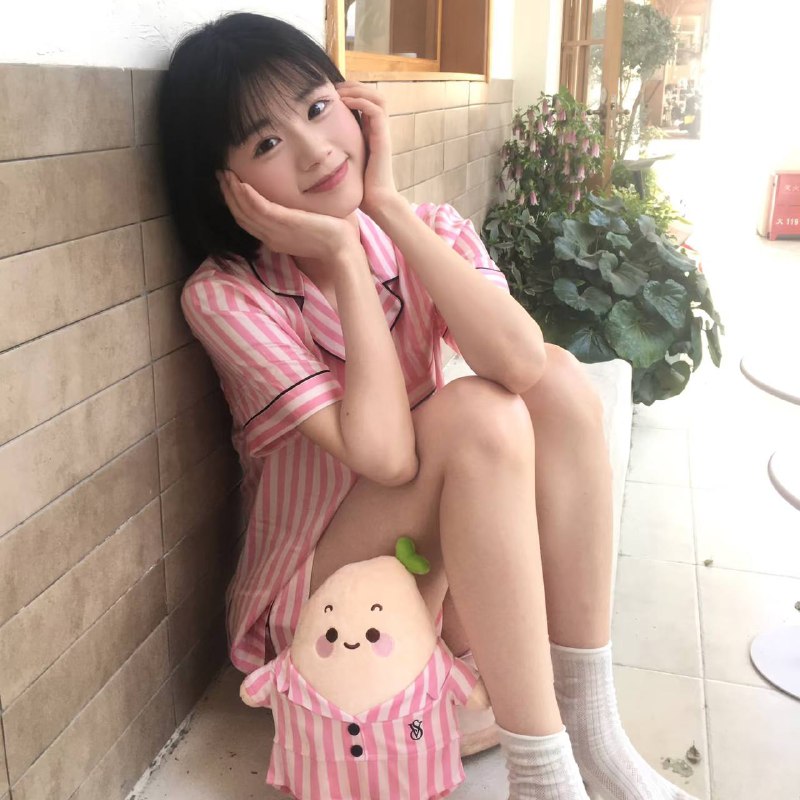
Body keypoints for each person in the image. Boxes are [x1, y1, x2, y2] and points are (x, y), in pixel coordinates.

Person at [158, 12, 698, 800]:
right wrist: (342, 257)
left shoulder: (427, 229)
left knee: (555, 382)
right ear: (227, 189)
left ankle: (591, 726)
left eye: (318, 108)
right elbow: (385, 456)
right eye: (266, 144)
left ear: (354, 104)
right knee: (477, 416)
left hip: (425, 570)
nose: (315, 150)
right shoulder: (226, 296)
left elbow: (521, 360)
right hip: (323, 600)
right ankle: (542, 776)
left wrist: (385, 208)